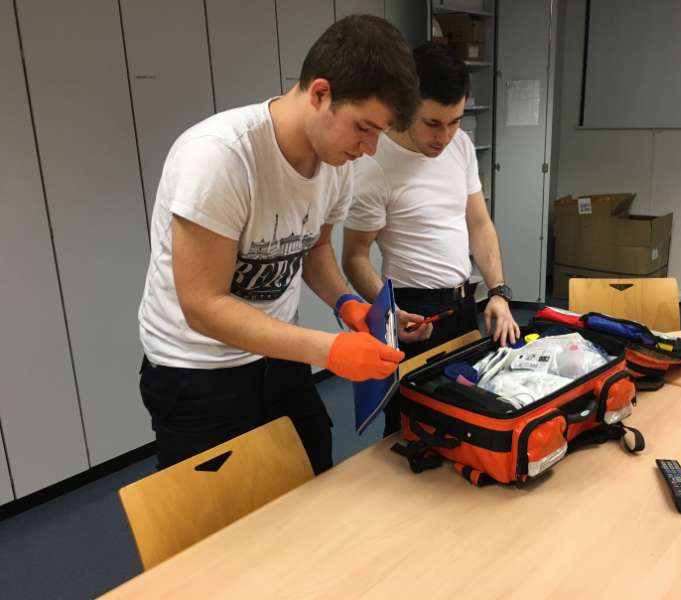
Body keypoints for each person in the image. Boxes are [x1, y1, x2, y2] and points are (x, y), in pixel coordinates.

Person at [137, 15, 419, 473]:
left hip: (279, 358)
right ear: (320, 93)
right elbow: (202, 305)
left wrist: (346, 302)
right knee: (220, 529)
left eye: (380, 134)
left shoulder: (337, 163)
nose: (368, 148)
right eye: (363, 127)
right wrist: (329, 350)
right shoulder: (220, 158)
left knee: (311, 483)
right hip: (198, 373)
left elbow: (315, 248)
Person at [342, 42, 519, 437]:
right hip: (411, 314)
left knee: (469, 419)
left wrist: (499, 292)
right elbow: (354, 257)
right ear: (405, 107)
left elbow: (479, 223)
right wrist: (389, 311)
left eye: (455, 121)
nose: (445, 136)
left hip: (462, 306)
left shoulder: (461, 146)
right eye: (433, 123)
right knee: (412, 429)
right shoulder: (374, 166)